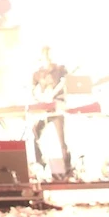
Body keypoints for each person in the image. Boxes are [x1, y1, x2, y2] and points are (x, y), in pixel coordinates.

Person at [31, 46, 72, 178]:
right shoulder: (38, 73)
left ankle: (67, 168)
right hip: (45, 107)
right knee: (35, 133)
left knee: (62, 139)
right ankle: (41, 163)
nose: (48, 58)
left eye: (50, 55)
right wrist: (40, 98)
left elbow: (64, 83)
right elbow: (33, 90)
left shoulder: (60, 69)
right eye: (46, 55)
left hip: (58, 107)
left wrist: (52, 94)